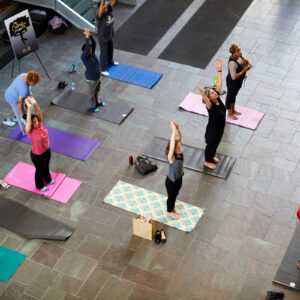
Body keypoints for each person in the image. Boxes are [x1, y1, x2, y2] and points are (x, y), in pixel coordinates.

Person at [197, 59, 226, 170]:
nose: (215, 92)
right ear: (209, 97)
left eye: (214, 92)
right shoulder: (210, 105)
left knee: (216, 144)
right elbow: (206, 99)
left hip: (220, 127)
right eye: (213, 93)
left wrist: (219, 69)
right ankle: (207, 161)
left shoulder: (217, 97)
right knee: (211, 145)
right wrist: (201, 92)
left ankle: (212, 156)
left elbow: (219, 84)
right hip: (213, 130)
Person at [25, 96, 54, 191]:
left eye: (36, 121)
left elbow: (38, 113)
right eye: (34, 122)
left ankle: (48, 179)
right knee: (39, 171)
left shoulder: (40, 124)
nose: (36, 123)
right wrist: (29, 107)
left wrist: (34, 103)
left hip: (47, 150)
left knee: (46, 166)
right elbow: (29, 121)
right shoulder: (30, 131)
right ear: (30, 124)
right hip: (37, 155)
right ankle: (40, 186)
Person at [5, 71, 41, 136]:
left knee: (28, 106)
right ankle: (25, 131)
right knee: (21, 116)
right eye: (35, 83)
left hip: (16, 92)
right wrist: (22, 113)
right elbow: (20, 102)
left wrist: (29, 94)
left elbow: (28, 89)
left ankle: (19, 117)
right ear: (30, 81)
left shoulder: (25, 75)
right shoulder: (24, 89)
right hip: (12, 98)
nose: (35, 84)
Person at [225, 44, 252, 120]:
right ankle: (229, 113)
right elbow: (233, 77)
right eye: (238, 51)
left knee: (234, 95)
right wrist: (244, 70)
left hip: (239, 81)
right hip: (232, 82)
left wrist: (248, 63)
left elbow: (246, 64)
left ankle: (233, 110)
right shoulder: (232, 63)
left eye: (240, 50)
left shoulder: (239, 57)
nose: (240, 52)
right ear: (234, 53)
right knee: (230, 96)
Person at [81, 28, 103, 112]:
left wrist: (90, 36)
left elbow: (93, 43)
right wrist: (86, 37)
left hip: (98, 76)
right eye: (89, 50)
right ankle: (92, 105)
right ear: (85, 51)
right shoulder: (84, 57)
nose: (90, 50)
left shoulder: (92, 53)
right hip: (91, 79)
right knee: (92, 92)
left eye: (90, 49)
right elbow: (87, 49)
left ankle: (97, 102)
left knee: (97, 90)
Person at [165, 121, 184, 220]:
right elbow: (172, 145)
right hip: (171, 182)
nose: (180, 149)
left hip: (179, 179)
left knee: (175, 195)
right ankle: (169, 211)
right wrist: (173, 131)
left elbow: (179, 138)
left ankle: (172, 208)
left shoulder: (179, 154)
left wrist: (177, 129)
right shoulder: (171, 157)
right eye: (177, 148)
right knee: (171, 197)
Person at [98, 0, 118, 76]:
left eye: (106, 7)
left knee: (110, 49)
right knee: (103, 53)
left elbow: (113, 2)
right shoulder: (101, 16)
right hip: (103, 37)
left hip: (109, 35)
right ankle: (102, 69)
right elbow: (100, 12)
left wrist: (106, 5)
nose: (106, 8)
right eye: (104, 8)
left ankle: (110, 61)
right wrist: (102, 1)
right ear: (102, 9)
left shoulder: (108, 10)